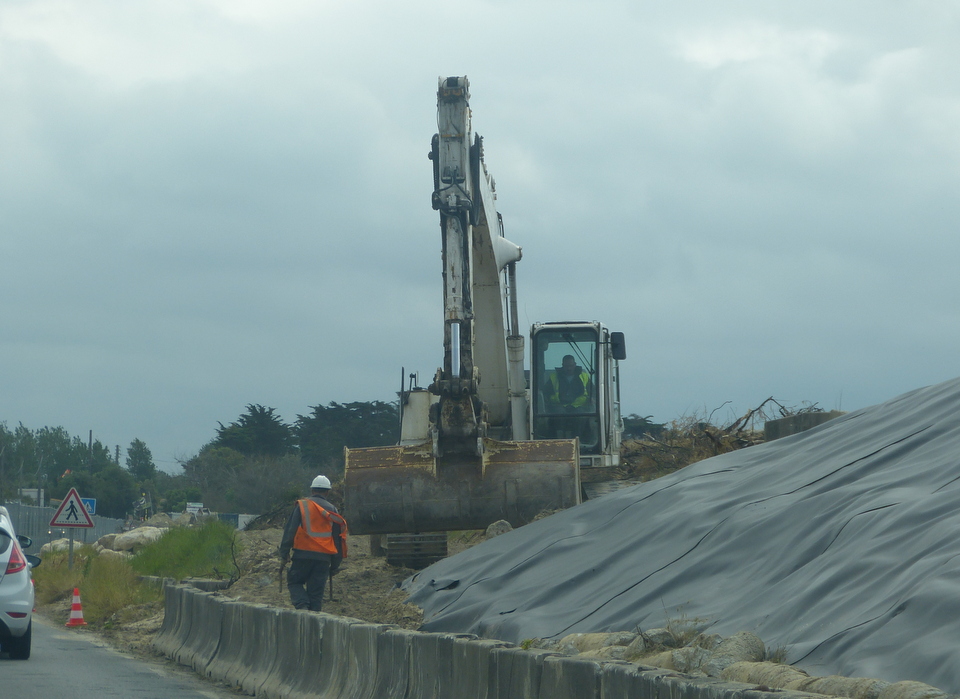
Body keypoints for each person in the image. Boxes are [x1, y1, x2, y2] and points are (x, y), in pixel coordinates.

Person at [278, 475, 348, 612]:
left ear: (311, 490)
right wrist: (335, 565)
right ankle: (314, 625)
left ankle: (302, 605)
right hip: (323, 559)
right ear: (327, 492)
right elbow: (338, 538)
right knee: (316, 595)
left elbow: (290, 531)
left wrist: (284, 553)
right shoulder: (332, 510)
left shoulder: (302, 505)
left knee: (294, 582)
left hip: (302, 555)